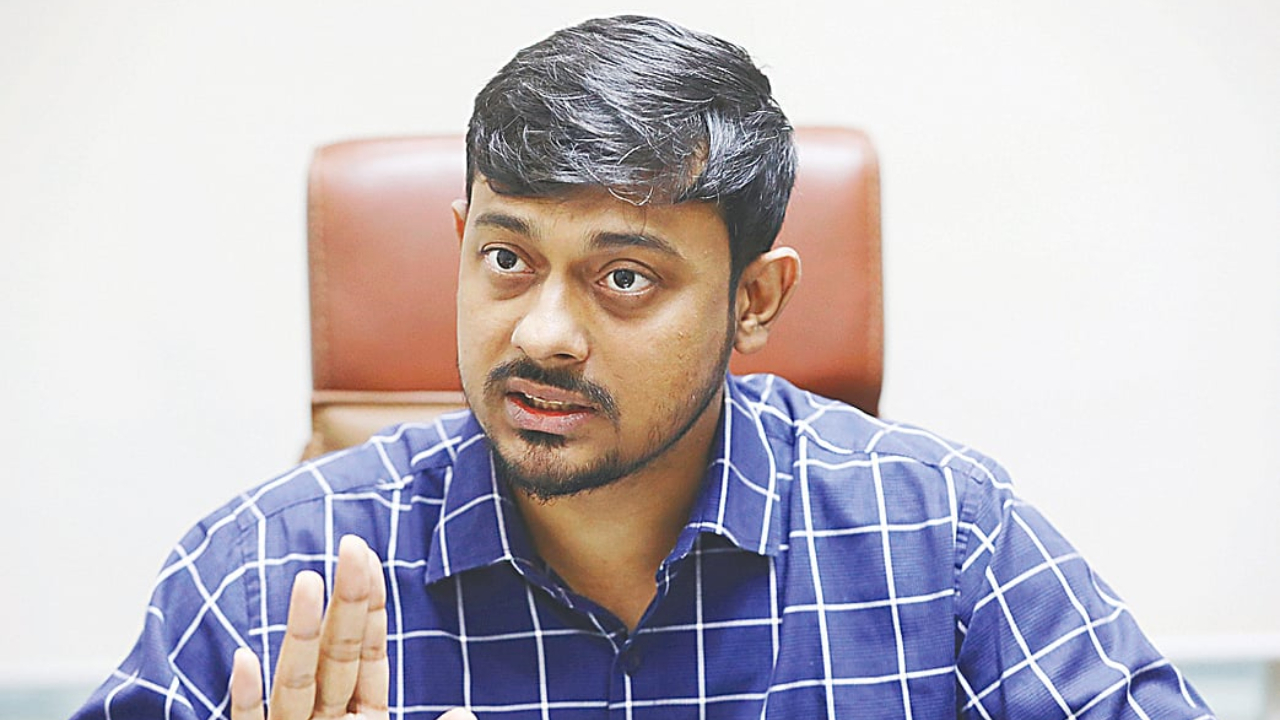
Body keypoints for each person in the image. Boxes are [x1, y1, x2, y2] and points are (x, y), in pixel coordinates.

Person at [73, 15, 1215, 720]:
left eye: (623, 277)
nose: (541, 335)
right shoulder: (269, 576)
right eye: (507, 258)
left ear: (753, 302)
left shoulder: (939, 537)